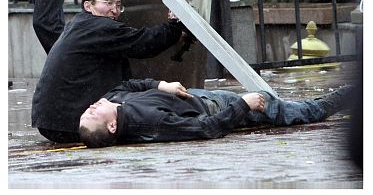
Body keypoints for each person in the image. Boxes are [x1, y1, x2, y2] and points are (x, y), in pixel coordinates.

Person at [31, 0, 184, 143]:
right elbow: (145, 43)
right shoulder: (100, 27)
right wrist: (174, 23)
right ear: (88, 6)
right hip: (72, 125)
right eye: (108, 3)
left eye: (118, 5)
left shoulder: (80, 25)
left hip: (52, 122)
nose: (114, 10)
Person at [78, 78, 354, 147]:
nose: (90, 107)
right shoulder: (149, 123)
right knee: (301, 111)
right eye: (92, 115)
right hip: (218, 105)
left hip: (195, 95)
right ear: (113, 127)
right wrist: (243, 104)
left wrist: (162, 85)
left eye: (85, 111)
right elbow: (206, 129)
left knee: (287, 105)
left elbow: (127, 84)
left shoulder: (114, 100)